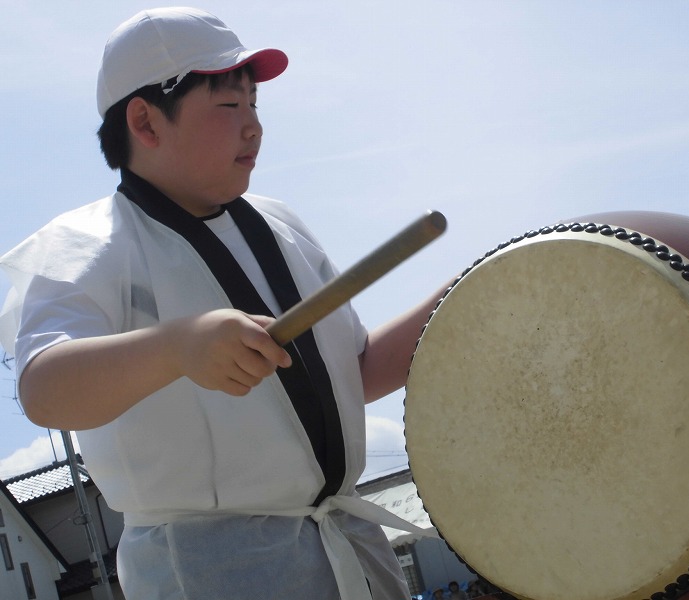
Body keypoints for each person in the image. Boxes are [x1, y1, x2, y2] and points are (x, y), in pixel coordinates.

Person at [0, 7, 445, 600]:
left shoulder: (281, 223)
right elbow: (46, 390)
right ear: (146, 121)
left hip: (350, 551)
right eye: (229, 106)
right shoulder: (84, 245)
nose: (254, 126)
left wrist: (472, 296)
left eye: (255, 105)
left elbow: (351, 374)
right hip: (212, 572)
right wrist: (178, 347)